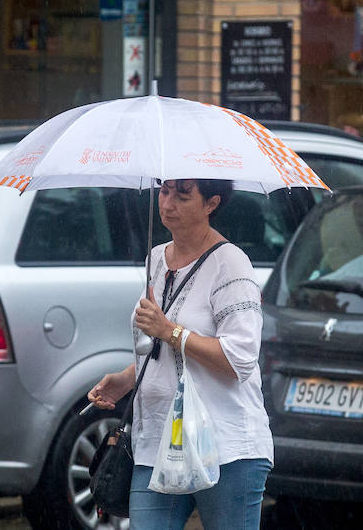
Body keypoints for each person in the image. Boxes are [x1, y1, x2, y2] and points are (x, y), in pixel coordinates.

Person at [87, 178, 272, 530]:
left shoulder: (231, 265)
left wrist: (170, 330)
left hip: (225, 446)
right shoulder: (156, 257)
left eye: (183, 195)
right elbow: (157, 346)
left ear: (211, 204)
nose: (168, 203)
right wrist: (126, 380)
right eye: (165, 191)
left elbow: (240, 359)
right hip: (157, 441)